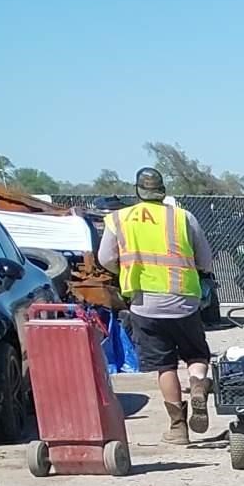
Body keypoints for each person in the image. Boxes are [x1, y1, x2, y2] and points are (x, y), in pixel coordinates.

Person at [97, 169, 217, 442]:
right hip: (184, 300)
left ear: (137, 190)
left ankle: (178, 427)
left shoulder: (118, 219)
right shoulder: (182, 217)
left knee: (165, 365)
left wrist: (126, 269)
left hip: (144, 304)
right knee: (196, 354)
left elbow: (105, 258)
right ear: (162, 190)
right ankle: (198, 385)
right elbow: (206, 260)